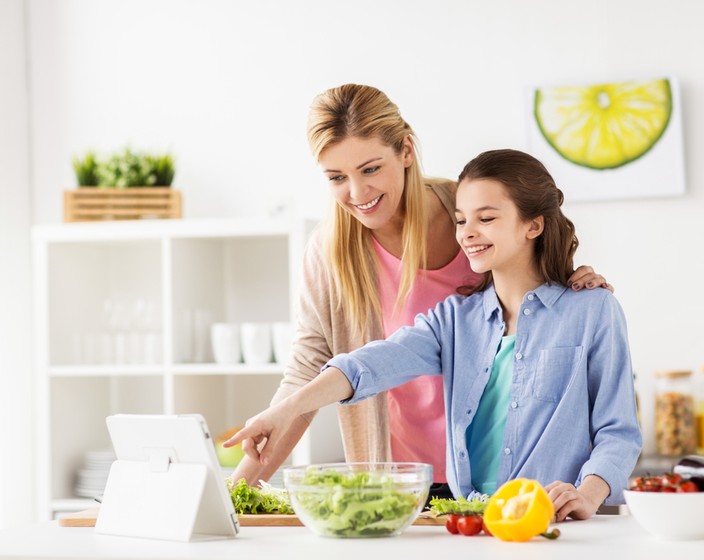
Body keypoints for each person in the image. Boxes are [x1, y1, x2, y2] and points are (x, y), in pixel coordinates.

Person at [226, 85, 611, 500]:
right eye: (337, 177)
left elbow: (539, 287)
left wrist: (574, 284)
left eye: (371, 169)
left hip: (505, 474)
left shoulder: (473, 217)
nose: (357, 194)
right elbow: (317, 372)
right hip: (400, 479)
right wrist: (234, 495)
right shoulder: (331, 251)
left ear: (406, 150)